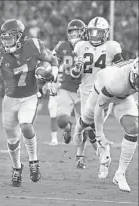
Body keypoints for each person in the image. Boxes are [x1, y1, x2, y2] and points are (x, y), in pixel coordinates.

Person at [0, 19, 58, 187]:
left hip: (29, 97)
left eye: (10, 38)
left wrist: (50, 74)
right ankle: (17, 168)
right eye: (4, 38)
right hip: (10, 100)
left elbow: (53, 61)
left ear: (19, 37)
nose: (6, 41)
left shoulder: (34, 45)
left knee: (26, 126)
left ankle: (33, 161)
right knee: (12, 140)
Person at [71, 16, 124, 169]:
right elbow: (75, 75)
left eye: (98, 32)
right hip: (86, 91)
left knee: (94, 125)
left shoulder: (112, 47)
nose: (94, 36)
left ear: (105, 33)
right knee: (89, 126)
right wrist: (76, 68)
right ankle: (100, 154)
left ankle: (102, 155)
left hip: (104, 92)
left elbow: (120, 69)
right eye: (92, 32)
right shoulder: (81, 46)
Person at [82, 58, 138, 192]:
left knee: (133, 128)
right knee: (87, 122)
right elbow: (99, 107)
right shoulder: (116, 82)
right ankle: (100, 153)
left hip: (124, 97)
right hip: (101, 91)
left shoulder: (133, 73)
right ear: (134, 74)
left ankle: (120, 174)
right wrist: (100, 134)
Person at [50, 19, 86, 145]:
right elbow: (52, 61)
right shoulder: (62, 46)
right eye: (71, 32)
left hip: (83, 89)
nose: (73, 35)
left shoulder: (88, 46)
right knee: (61, 121)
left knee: (85, 125)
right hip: (66, 88)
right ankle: (68, 129)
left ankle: (80, 156)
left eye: (76, 32)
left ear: (82, 33)